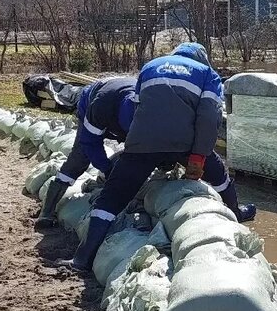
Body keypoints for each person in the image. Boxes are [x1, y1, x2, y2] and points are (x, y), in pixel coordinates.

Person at [62, 42, 256, 272]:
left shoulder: (150, 66)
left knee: (111, 198)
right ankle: (236, 210)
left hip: (142, 142)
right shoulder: (208, 75)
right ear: (202, 58)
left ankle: (81, 260)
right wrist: (199, 157)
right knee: (219, 176)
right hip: (184, 143)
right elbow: (208, 118)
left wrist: (136, 145)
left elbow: (137, 107)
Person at [34, 77, 136, 229]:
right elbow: (90, 143)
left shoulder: (144, 112)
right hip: (91, 99)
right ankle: (47, 211)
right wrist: (107, 169)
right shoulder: (100, 107)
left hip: (119, 101)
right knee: (79, 159)